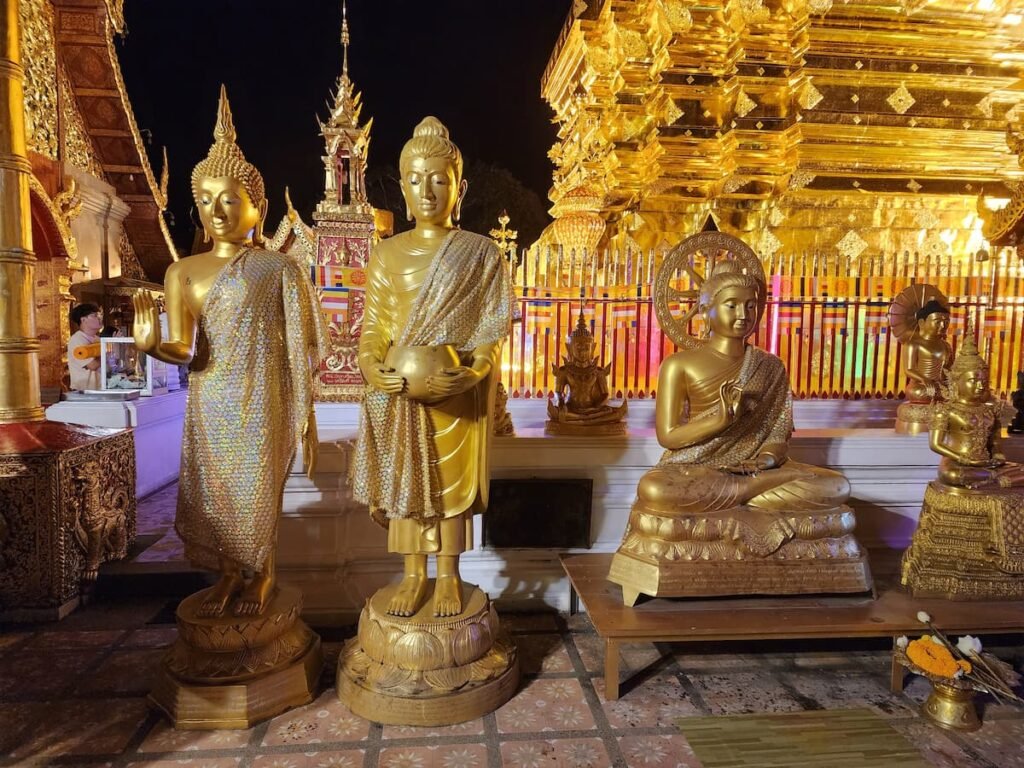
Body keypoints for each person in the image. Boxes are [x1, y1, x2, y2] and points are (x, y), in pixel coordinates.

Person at [132, 87, 328, 618]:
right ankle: (225, 576)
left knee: (257, 492)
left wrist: (306, 416)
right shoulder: (182, 272)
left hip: (262, 398)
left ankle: (262, 577)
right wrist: (154, 347)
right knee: (214, 495)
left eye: (229, 199)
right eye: (206, 201)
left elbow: (302, 346)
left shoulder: (279, 269)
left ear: (256, 209)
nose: (217, 210)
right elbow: (182, 345)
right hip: (210, 398)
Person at [352, 116, 512, 618]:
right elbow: (374, 326)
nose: (428, 190)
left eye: (439, 179)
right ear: (402, 188)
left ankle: (447, 576)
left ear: (458, 188)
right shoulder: (386, 254)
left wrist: (476, 370)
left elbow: (491, 327)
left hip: (455, 393)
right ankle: (413, 573)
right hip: (399, 389)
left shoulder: (480, 253)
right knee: (406, 486)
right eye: (417, 179)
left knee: (449, 487)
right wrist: (369, 363)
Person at [68, 303, 102, 391]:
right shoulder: (77, 340)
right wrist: (106, 352)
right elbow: (92, 365)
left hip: (98, 388)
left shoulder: (97, 339)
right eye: (95, 315)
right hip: (83, 390)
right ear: (83, 320)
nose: (99, 318)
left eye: (100, 315)